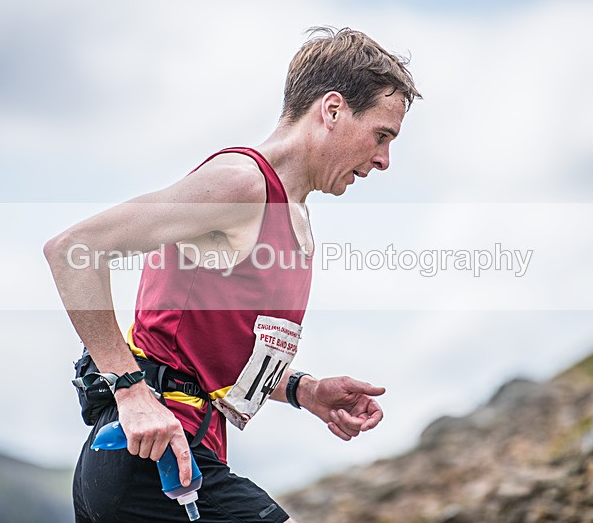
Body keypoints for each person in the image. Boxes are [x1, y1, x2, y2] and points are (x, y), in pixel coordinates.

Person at [44, 26, 420, 522]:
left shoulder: (293, 214)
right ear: (332, 110)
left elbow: (212, 351)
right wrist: (131, 392)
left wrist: (304, 390)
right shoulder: (242, 185)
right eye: (381, 135)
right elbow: (74, 249)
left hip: (182, 457)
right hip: (150, 459)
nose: (384, 160)